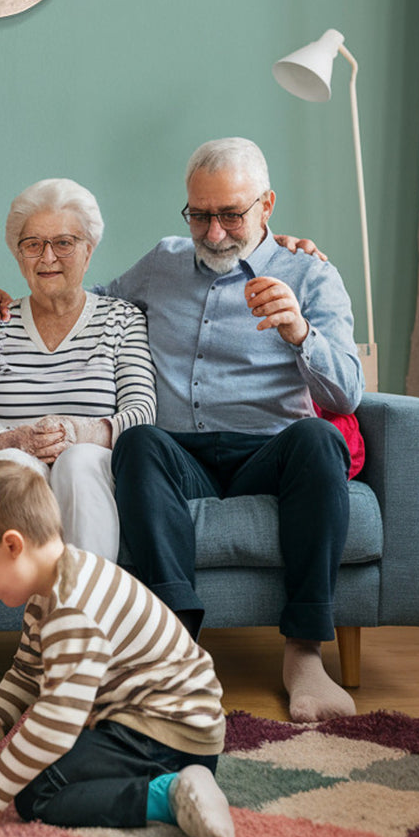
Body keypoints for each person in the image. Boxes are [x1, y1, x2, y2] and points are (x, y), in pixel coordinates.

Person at [107, 137, 363, 722]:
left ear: (267, 205)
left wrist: (300, 332)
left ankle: (303, 655)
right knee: (138, 440)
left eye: (231, 214)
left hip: (270, 452)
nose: (214, 231)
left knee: (319, 439)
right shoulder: (161, 262)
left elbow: (347, 392)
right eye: (200, 214)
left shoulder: (311, 275)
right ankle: (177, 650)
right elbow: (88, 307)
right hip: (181, 455)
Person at [0, 460, 234, 837]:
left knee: (38, 794)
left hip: (169, 735)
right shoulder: (50, 589)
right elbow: (25, 675)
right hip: (154, 723)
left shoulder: (72, 609)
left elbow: (54, 725)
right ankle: (171, 780)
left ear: (12, 545)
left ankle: (169, 794)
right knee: (30, 768)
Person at [0, 178, 156, 560]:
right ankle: (42, 607)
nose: (47, 258)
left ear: (88, 251)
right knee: (15, 466)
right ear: (17, 254)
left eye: (63, 243)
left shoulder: (121, 318)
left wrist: (81, 432)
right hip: (15, 461)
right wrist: (13, 439)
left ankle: (85, 610)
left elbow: (142, 413)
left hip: (93, 465)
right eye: (32, 245)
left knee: (76, 461)